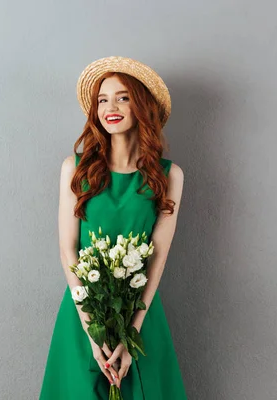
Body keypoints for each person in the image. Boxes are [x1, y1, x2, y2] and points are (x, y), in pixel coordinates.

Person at [39, 56, 187, 399]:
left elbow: (158, 257)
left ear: (141, 106)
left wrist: (131, 333)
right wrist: (94, 332)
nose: (111, 107)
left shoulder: (169, 176)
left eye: (123, 97)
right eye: (103, 99)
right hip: (82, 315)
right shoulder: (74, 169)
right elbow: (68, 250)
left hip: (141, 315)